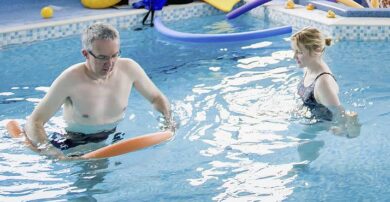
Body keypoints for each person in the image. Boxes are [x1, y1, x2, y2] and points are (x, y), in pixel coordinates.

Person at [24, 22, 173, 159]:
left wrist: (168, 121)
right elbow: (34, 121)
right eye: (102, 57)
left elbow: (157, 98)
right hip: (78, 143)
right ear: (86, 54)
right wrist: (51, 151)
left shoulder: (129, 69)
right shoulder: (70, 79)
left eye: (114, 55)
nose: (110, 64)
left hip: (116, 137)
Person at [291, 27, 361, 138]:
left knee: (302, 146)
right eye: (294, 51)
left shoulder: (322, 83)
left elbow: (340, 116)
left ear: (317, 50)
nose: (294, 56)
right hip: (311, 115)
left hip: (322, 124)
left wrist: (345, 128)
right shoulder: (309, 66)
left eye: (299, 52)